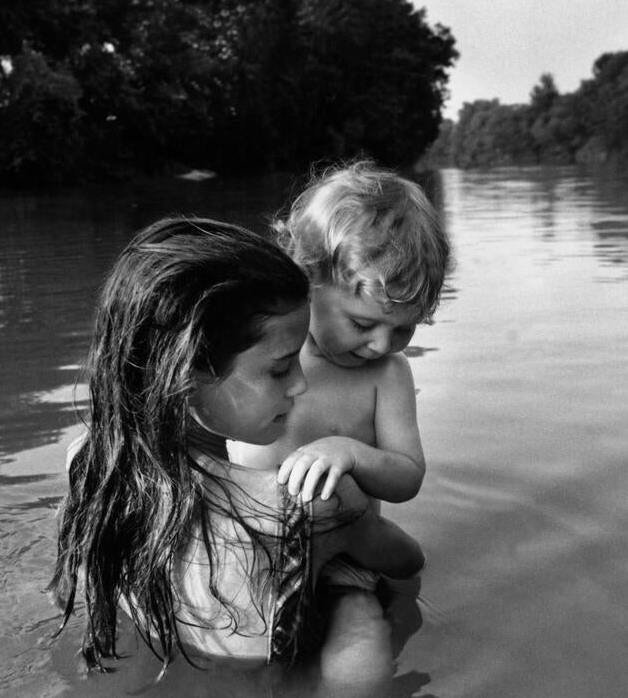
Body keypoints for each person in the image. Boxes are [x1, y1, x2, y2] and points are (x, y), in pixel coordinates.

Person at [47, 216, 423, 683]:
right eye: (282, 368)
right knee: (361, 616)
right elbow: (407, 560)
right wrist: (352, 526)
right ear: (187, 377)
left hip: (155, 659)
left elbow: (72, 579)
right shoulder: (315, 506)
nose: (301, 384)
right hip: (263, 675)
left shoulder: (90, 460)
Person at [228, 162, 450, 675]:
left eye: (403, 330)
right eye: (364, 323)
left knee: (363, 648)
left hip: (343, 553)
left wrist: (350, 453)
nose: (382, 345)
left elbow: (407, 477)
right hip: (244, 543)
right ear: (306, 281)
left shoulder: (386, 376)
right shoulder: (262, 350)